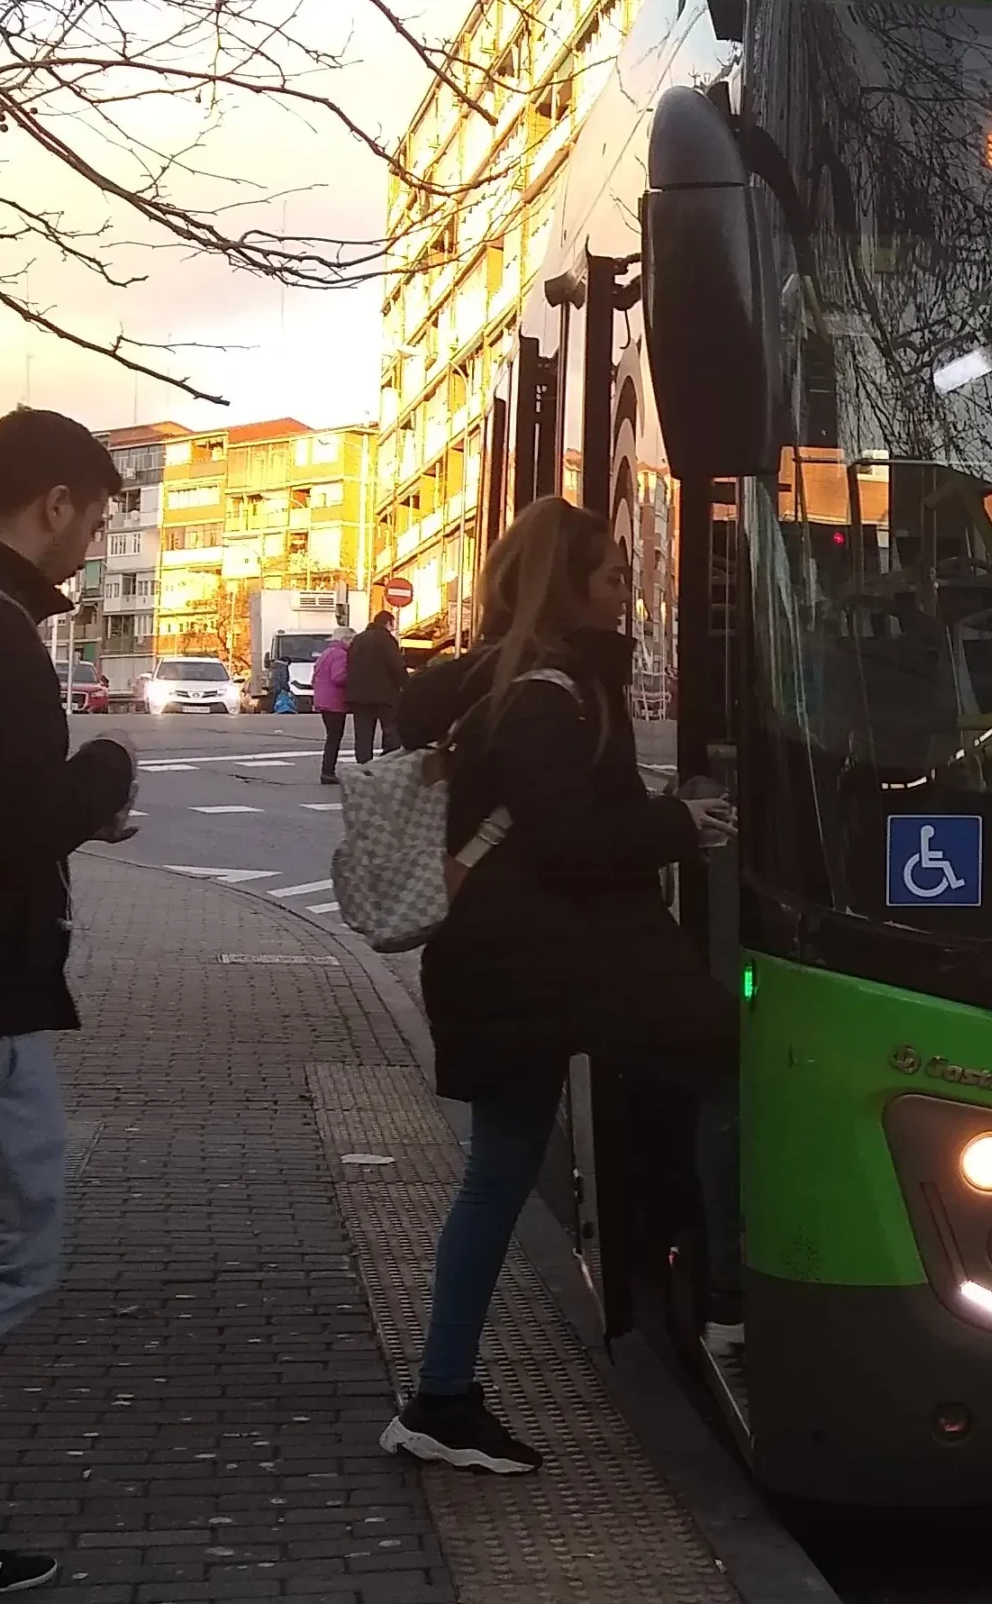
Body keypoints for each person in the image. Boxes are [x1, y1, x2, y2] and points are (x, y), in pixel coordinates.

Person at [380, 499, 740, 1476]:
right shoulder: (545, 696)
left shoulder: (505, 686)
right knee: (730, 1062)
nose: (626, 591)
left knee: (497, 1175)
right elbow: (570, 842)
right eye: (613, 577)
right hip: (549, 965)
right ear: (565, 588)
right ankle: (729, 1292)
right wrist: (684, 823)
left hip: (518, 965)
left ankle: (443, 1396)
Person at [0, 409, 138, 1594]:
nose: (90, 542)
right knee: (20, 1250)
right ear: (51, 505)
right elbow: (16, 825)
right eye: (93, 515)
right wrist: (104, 775)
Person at [345, 608, 405, 763]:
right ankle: (388, 763)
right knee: (391, 730)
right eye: (393, 624)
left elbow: (349, 664)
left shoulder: (358, 639)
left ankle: (363, 765)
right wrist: (406, 685)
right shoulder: (386, 639)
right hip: (384, 694)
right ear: (388, 623)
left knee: (363, 734)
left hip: (358, 695)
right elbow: (396, 665)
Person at [313, 626, 354, 784]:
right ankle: (328, 771)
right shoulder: (341, 654)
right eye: (351, 640)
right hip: (334, 701)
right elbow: (338, 677)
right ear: (345, 639)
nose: (352, 644)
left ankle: (327, 770)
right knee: (334, 737)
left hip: (323, 700)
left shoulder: (327, 653)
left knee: (332, 735)